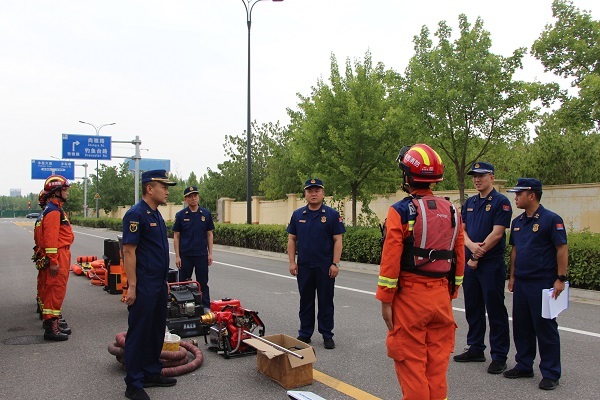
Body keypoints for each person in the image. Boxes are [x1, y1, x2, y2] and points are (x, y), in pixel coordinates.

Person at [376, 144, 465, 400]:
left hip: (411, 298)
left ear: (407, 176)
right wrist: (451, 292)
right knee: (436, 369)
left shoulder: (401, 211)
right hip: (441, 298)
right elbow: (459, 256)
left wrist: (385, 300)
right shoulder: (452, 210)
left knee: (412, 364)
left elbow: (390, 260)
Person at [504, 178, 568, 391]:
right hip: (522, 282)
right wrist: (512, 277)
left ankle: (551, 373)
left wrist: (560, 278)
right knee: (521, 326)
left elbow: (561, 249)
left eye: (519, 194)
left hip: (543, 283)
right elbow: (515, 250)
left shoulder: (551, 219)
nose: (515, 198)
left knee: (545, 328)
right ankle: (524, 365)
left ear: (531, 195)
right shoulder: (518, 222)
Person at [122, 170, 178, 400]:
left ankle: (151, 372)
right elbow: (129, 251)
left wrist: (164, 281)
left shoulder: (156, 214)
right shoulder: (136, 214)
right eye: (163, 187)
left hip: (158, 282)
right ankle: (133, 384)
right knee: (139, 332)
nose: (166, 191)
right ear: (149, 188)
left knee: (156, 329)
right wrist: (132, 286)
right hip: (144, 283)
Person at [454, 162, 511, 374]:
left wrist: (478, 253)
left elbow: (497, 233)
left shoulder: (501, 202)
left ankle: (499, 355)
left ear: (492, 177)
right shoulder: (470, 202)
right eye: (474, 176)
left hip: (490, 265)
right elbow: (462, 229)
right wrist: (470, 246)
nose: (477, 179)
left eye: (481, 175)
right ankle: (475, 348)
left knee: (495, 310)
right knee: (473, 307)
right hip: (471, 264)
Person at [287, 178, 345, 350]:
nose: (313, 194)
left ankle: (327, 335)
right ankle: (305, 333)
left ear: (323, 193)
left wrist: (335, 263)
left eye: (317, 191)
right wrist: (292, 262)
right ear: (305, 194)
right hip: (304, 267)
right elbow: (291, 239)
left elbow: (338, 240)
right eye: (310, 191)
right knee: (306, 301)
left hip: (325, 267)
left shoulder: (332, 215)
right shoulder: (298, 215)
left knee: (326, 301)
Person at [39, 175, 74, 341]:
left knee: (57, 290)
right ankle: (51, 329)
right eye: (65, 189)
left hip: (61, 254)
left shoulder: (56, 209)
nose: (67, 192)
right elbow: (50, 239)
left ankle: (54, 324)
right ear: (56, 192)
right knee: (55, 291)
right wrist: (54, 261)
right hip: (58, 255)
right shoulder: (53, 212)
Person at [173, 185, 215, 310]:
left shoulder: (205, 214)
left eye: (195, 195)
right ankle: (182, 307)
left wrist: (210, 253)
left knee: (203, 282)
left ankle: (205, 306)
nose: (193, 198)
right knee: (183, 283)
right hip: (185, 255)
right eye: (190, 196)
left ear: (198, 197)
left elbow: (209, 234)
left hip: (201, 254)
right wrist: (177, 256)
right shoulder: (180, 215)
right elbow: (176, 236)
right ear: (185, 199)